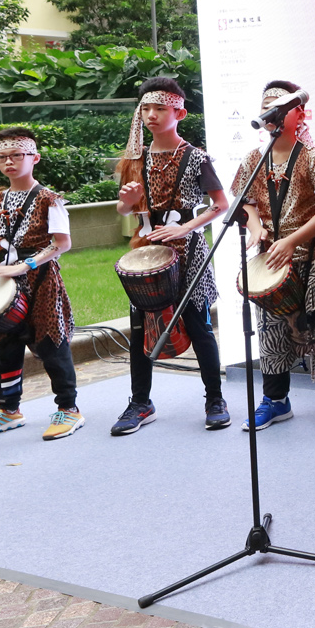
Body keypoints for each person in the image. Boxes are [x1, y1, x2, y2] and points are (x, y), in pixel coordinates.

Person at [231, 82, 315, 437]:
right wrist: (256, 226)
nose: (270, 112)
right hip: (273, 258)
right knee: (271, 331)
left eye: (279, 106)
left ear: (299, 113)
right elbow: (245, 202)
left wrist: (292, 240)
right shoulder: (252, 160)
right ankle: (276, 400)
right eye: (265, 106)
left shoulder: (313, 156)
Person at [109, 77, 231, 435]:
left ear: (179, 112)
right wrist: (126, 204)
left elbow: (220, 205)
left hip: (188, 251)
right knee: (140, 328)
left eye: (160, 108)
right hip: (146, 253)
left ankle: (215, 398)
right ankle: (140, 402)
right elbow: (122, 207)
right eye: (146, 108)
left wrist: (185, 228)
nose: (151, 115)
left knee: (199, 325)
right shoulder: (136, 159)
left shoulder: (196, 158)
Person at [0, 128, 83, 441]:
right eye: (2, 157)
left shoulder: (50, 199)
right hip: (4, 280)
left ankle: (69, 408)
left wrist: (27, 264)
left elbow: (62, 244)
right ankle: (9, 410)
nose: (9, 161)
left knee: (52, 344)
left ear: (34, 158)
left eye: (16, 155)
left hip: (41, 281)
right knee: (6, 348)